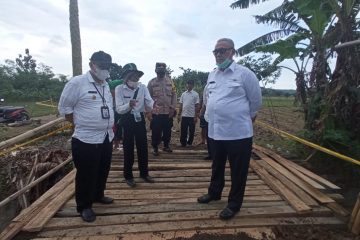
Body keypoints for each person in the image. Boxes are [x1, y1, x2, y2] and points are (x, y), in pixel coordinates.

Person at [197, 38, 262, 220]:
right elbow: (209, 97)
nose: (218, 54)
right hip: (216, 131)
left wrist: (241, 117)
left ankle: (234, 204)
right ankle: (214, 193)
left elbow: (255, 101)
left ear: (232, 52)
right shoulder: (213, 74)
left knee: (238, 170)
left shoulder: (245, 74)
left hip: (238, 133)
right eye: (216, 51)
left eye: (223, 50)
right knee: (217, 166)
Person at [58, 51, 115, 222]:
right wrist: (83, 124)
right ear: (92, 65)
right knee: (86, 173)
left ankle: (98, 195)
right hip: (86, 139)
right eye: (102, 66)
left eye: (108, 66)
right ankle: (84, 206)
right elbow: (65, 109)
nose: (105, 70)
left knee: (103, 169)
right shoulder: (77, 83)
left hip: (106, 136)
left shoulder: (106, 84)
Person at [115, 63, 155, 187]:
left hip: (139, 119)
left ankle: (144, 173)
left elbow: (149, 101)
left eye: (137, 77)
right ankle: (128, 175)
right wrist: (129, 105)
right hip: (127, 120)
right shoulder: (119, 89)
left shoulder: (142, 88)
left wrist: (153, 107)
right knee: (128, 148)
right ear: (126, 77)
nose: (135, 79)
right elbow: (119, 109)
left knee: (143, 147)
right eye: (132, 77)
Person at [147, 62, 177, 156]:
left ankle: (166, 145)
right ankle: (155, 147)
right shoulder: (151, 82)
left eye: (162, 69)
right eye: (159, 69)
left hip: (168, 111)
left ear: (165, 71)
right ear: (156, 71)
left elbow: (174, 95)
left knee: (168, 130)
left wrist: (173, 108)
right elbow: (148, 97)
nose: (161, 71)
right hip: (156, 112)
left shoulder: (171, 82)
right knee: (156, 130)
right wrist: (149, 111)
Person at [177, 79, 200, 147]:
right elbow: (181, 105)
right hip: (184, 115)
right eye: (188, 84)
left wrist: (196, 116)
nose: (189, 85)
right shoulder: (183, 94)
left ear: (193, 85)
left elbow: (197, 106)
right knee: (183, 130)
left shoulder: (196, 94)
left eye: (190, 84)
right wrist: (179, 114)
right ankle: (183, 143)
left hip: (192, 115)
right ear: (186, 85)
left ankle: (190, 143)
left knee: (191, 130)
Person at [109, 79, 123, 150]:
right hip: (113, 112)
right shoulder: (110, 96)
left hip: (118, 112)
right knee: (115, 127)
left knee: (118, 127)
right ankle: (115, 143)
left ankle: (117, 143)